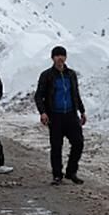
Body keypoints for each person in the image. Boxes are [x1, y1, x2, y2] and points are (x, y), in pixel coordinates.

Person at [34, 46, 87, 185]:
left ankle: (71, 172)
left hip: (71, 114)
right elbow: (39, 96)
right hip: (55, 116)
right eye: (57, 55)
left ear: (65, 57)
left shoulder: (71, 74)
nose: (60, 58)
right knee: (56, 146)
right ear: (52, 58)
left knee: (78, 143)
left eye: (62, 55)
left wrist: (82, 111)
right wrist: (43, 112)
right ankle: (57, 175)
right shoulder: (47, 75)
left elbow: (75, 94)